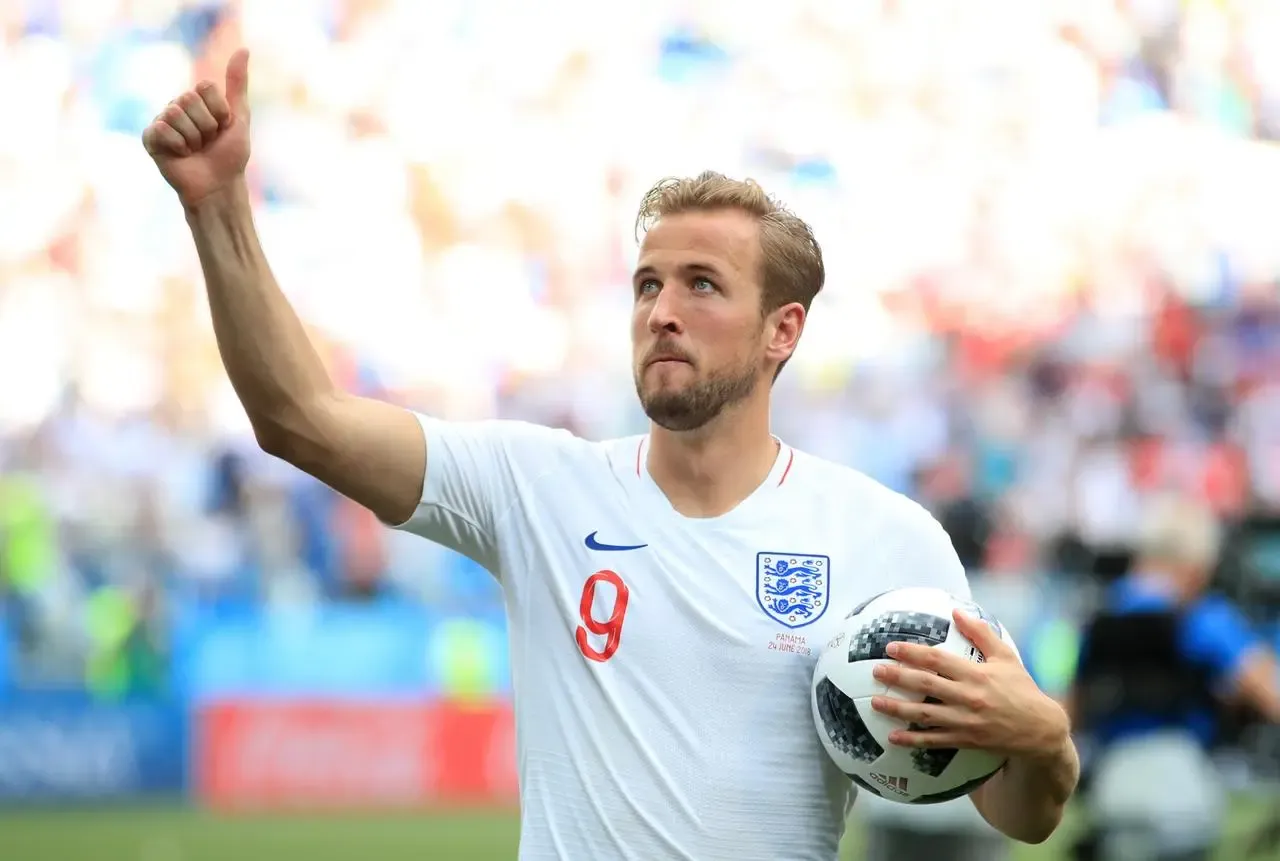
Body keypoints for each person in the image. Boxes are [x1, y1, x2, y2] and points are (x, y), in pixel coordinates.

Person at [142, 50, 1079, 860]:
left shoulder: (884, 539)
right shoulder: (537, 488)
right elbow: (299, 416)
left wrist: (1042, 738)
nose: (660, 311)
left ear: (780, 331)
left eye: (701, 284)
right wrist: (218, 207)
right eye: (646, 284)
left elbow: (1016, 812)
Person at [1069, 494, 1280, 861]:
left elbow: (1065, 709)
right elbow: (1270, 692)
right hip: (1182, 795)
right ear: (1197, 565)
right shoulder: (1202, 617)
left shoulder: (1097, 618)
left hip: (1113, 791)